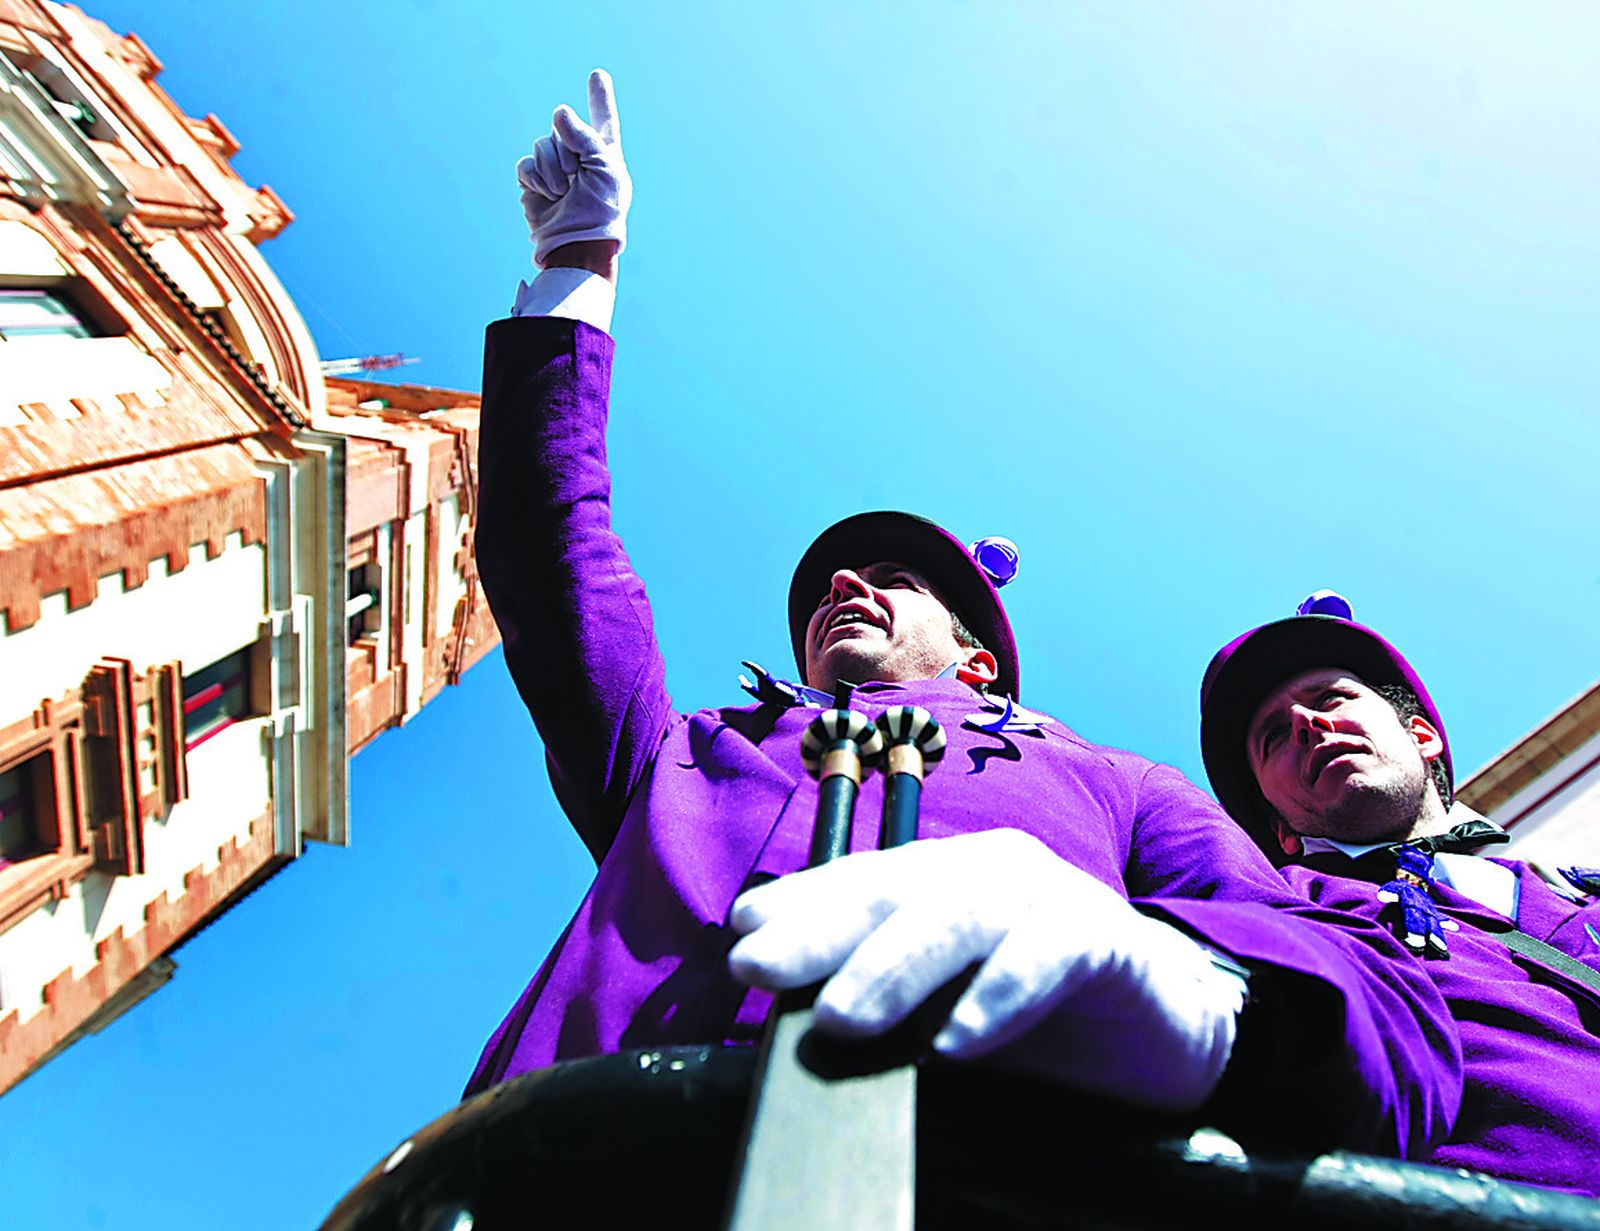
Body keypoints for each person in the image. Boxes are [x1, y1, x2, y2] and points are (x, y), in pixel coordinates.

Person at [465, 70, 1463, 1158]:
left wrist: (1191, 988)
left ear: (981, 661)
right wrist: (575, 270)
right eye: (828, 592)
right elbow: (549, 551)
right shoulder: (680, 759)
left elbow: (1320, 979)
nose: (847, 589)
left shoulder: (1123, 787)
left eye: (893, 579)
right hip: (580, 1176)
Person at [1200, 591, 1600, 1195]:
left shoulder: (1574, 891)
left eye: (1330, 699)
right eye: (1274, 739)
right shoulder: (1281, 913)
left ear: (1422, 736)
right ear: (1280, 832)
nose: (1308, 724)